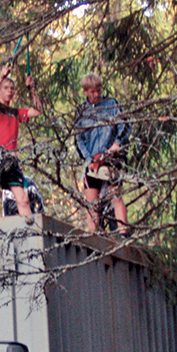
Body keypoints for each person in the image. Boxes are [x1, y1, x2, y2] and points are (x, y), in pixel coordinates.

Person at [74, 73, 131, 234]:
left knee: (116, 196)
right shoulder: (82, 111)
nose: (96, 94)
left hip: (111, 158)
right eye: (92, 91)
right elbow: (78, 139)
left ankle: (123, 234)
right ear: (85, 91)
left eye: (98, 90)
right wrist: (89, 159)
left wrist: (115, 146)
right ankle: (94, 236)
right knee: (92, 203)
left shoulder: (111, 104)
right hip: (92, 161)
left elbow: (125, 126)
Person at [0, 64, 43, 219]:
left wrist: (32, 89)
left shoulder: (16, 113)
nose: (9, 91)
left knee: (23, 198)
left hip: (11, 157)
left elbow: (38, 111)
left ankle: (30, 229)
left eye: (12, 88)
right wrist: (2, 77)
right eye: (5, 88)